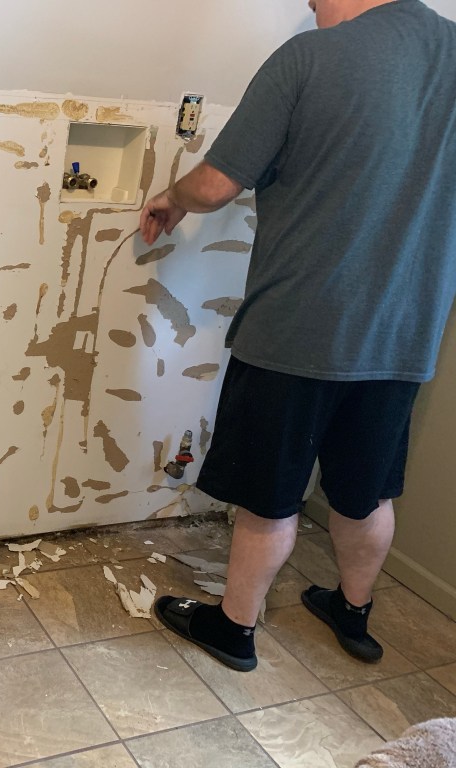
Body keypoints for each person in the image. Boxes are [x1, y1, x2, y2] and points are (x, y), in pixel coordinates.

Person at [139, 0, 456, 672]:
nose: (312, 8)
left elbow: (216, 184)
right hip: (406, 334)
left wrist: (172, 196)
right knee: (368, 491)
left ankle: (234, 629)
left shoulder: (312, 57)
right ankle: (352, 611)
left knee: (270, 496)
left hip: (300, 328)